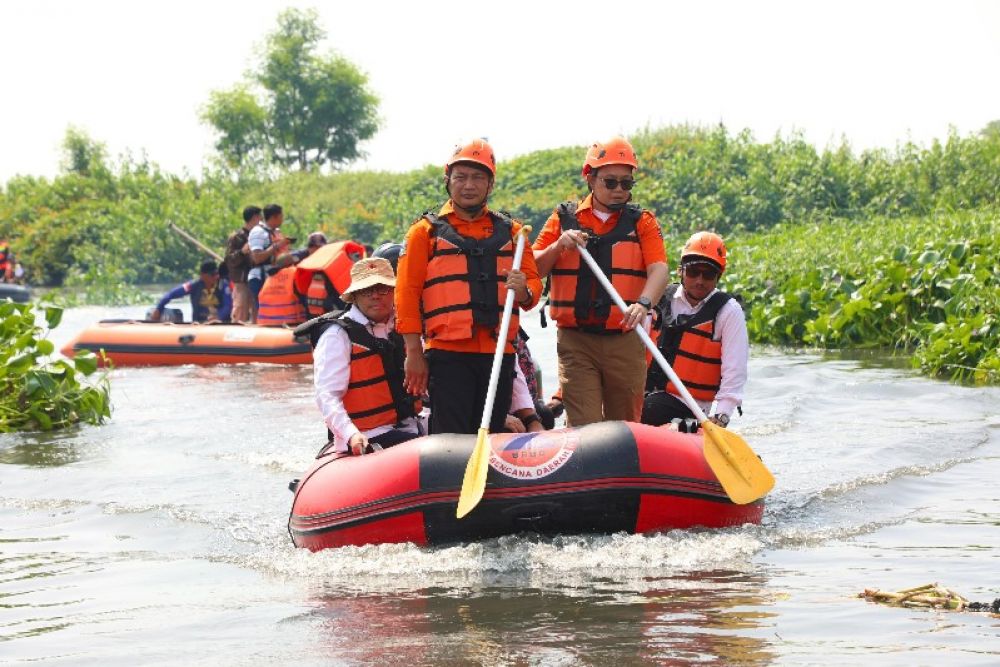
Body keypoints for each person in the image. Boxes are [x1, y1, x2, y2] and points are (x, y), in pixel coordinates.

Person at [395, 139, 542, 435]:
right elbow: (407, 294)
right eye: (461, 177)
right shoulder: (424, 233)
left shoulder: (514, 233)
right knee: (451, 434)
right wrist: (413, 352)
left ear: (490, 184)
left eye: (478, 177)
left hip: (498, 353)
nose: (469, 185)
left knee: (492, 431)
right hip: (447, 354)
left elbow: (533, 291)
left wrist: (524, 288)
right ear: (447, 180)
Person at [532, 136, 669, 426]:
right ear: (590, 178)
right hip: (576, 341)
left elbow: (659, 269)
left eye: (626, 183)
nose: (619, 190)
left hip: (625, 337)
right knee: (586, 425)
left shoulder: (642, 221)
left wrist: (643, 304)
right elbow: (532, 267)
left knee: (625, 425)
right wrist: (558, 246)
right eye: (610, 182)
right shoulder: (563, 219)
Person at [299, 257, 422, 456]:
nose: (375, 296)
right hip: (369, 435)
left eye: (383, 289)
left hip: (411, 427)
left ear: (394, 292)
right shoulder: (337, 335)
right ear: (355, 296)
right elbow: (327, 395)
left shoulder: (405, 327)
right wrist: (351, 435)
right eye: (367, 290)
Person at [642, 232, 748, 429]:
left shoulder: (728, 311)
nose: (699, 280)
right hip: (644, 397)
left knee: (652, 408)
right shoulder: (659, 298)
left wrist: (722, 415)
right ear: (681, 271)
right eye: (693, 272)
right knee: (641, 406)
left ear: (718, 276)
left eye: (708, 274)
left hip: (690, 408)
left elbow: (735, 370)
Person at [247, 204, 292, 323]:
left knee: (273, 309)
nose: (283, 219)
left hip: (275, 277)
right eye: (281, 216)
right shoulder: (258, 232)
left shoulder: (276, 232)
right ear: (274, 217)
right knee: (260, 307)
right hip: (259, 277)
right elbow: (257, 257)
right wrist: (277, 246)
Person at [150, 259, 232, 323]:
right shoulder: (194, 285)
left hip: (219, 323)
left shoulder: (223, 286)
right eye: (212, 275)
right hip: (199, 323)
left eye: (217, 274)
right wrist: (158, 309)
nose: (216, 277)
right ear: (202, 275)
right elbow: (171, 294)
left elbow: (228, 306)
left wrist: (218, 317)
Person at [225, 206, 261, 323]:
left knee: (257, 312)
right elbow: (229, 260)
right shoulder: (237, 237)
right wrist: (242, 252)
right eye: (259, 217)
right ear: (254, 218)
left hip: (257, 280)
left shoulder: (259, 236)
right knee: (240, 312)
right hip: (242, 282)